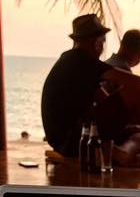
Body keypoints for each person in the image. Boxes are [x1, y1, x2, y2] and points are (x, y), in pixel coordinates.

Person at [41, 14, 110, 157]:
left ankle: (121, 152)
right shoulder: (80, 60)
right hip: (70, 142)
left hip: (63, 141)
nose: (102, 47)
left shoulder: (71, 60)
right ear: (94, 42)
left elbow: (105, 98)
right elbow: (135, 84)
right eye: (102, 41)